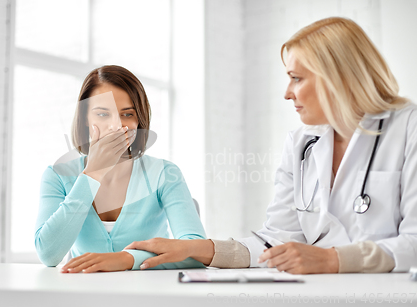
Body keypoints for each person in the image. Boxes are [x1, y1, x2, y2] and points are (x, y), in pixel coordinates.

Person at [125, 17, 417, 274]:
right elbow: (277, 240)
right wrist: (201, 249)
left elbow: (414, 243)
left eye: (296, 78)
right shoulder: (302, 144)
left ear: (337, 78)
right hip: (319, 293)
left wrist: (333, 260)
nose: (287, 93)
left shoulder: (408, 127)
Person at [34, 65, 206, 273]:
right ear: (85, 118)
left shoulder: (164, 173)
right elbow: (49, 255)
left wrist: (126, 259)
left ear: (139, 120)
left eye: (127, 114)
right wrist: (93, 173)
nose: (116, 126)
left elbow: (197, 252)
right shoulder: (57, 175)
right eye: (103, 114)